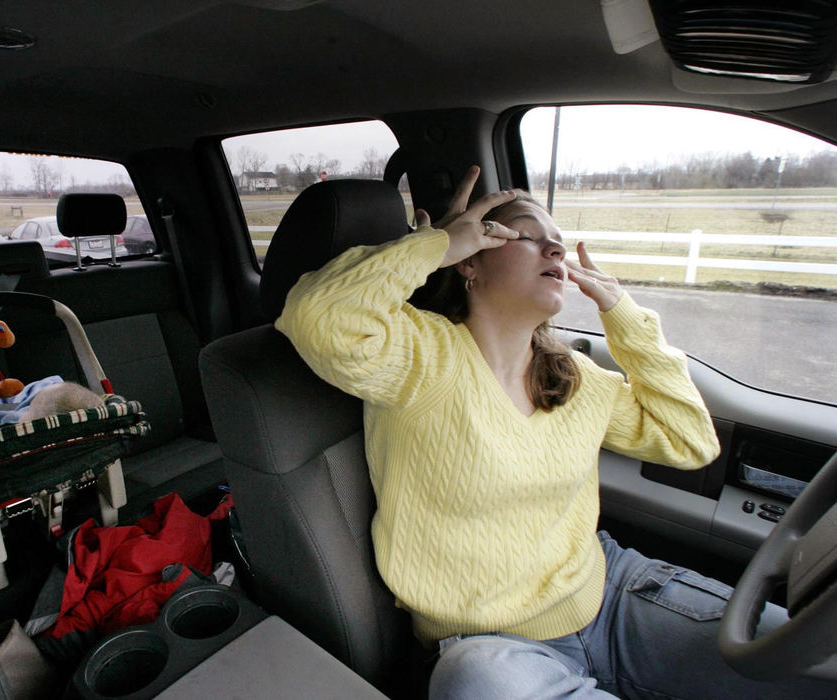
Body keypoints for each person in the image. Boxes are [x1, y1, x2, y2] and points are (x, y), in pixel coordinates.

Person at [276, 165, 831, 698]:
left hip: (610, 595)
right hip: (494, 646)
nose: (557, 250)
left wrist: (623, 314)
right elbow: (316, 315)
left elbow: (690, 442)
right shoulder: (420, 354)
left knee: (813, 658)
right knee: (475, 682)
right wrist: (438, 245)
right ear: (473, 260)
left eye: (559, 241)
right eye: (527, 235)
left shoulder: (574, 375)